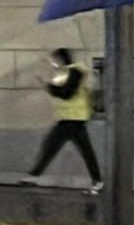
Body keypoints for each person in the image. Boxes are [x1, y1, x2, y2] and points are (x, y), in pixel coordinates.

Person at [22, 48, 102, 193]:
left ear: (60, 59)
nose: (53, 63)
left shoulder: (76, 72)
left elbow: (67, 93)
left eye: (54, 60)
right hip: (71, 118)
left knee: (51, 146)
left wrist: (48, 86)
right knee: (82, 150)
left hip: (72, 119)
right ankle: (97, 180)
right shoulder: (68, 72)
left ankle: (34, 175)